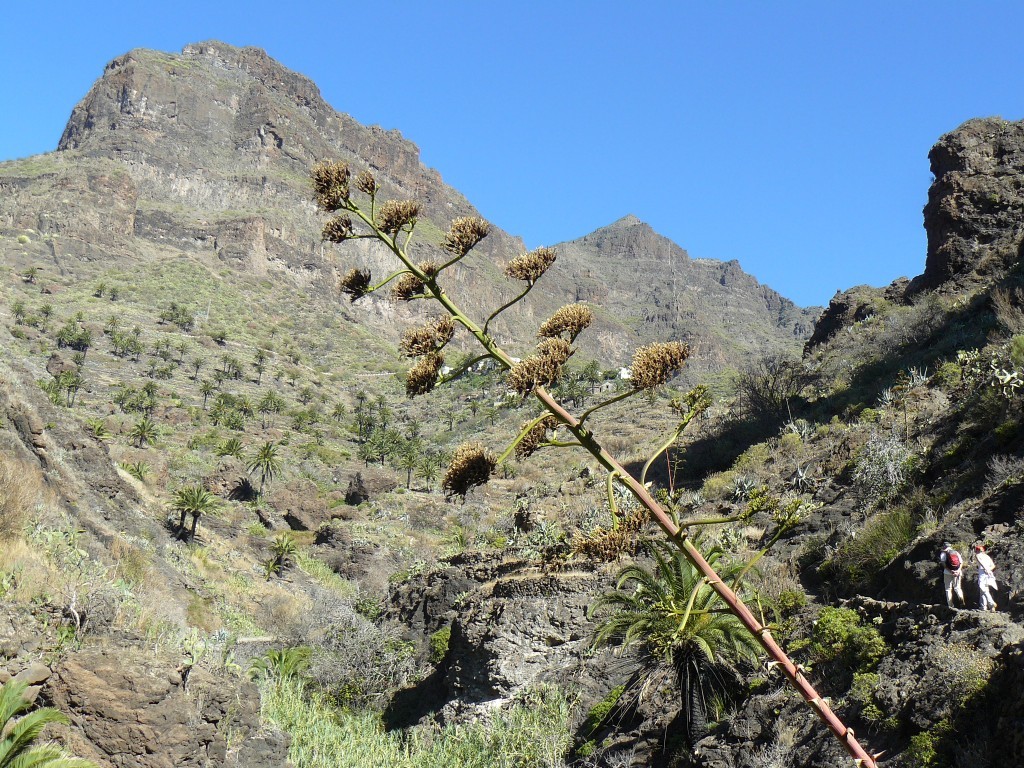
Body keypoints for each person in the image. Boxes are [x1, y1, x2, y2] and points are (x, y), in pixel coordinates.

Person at [939, 541, 966, 608]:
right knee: (957, 588)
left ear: (944, 547)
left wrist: (951, 571)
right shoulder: (956, 552)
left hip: (947, 573)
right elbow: (961, 563)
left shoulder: (943, 553)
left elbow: (944, 565)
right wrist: (958, 571)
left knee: (948, 589)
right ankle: (961, 599)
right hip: (958, 572)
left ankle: (950, 605)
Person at [974, 544, 998, 611]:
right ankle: (983, 606)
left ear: (978, 550)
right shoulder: (987, 556)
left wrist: (986, 569)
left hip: (983, 572)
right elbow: (993, 565)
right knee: (984, 589)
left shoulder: (977, 555)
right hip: (989, 573)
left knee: (983, 587)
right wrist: (989, 569)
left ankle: (991, 603)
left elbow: (980, 562)